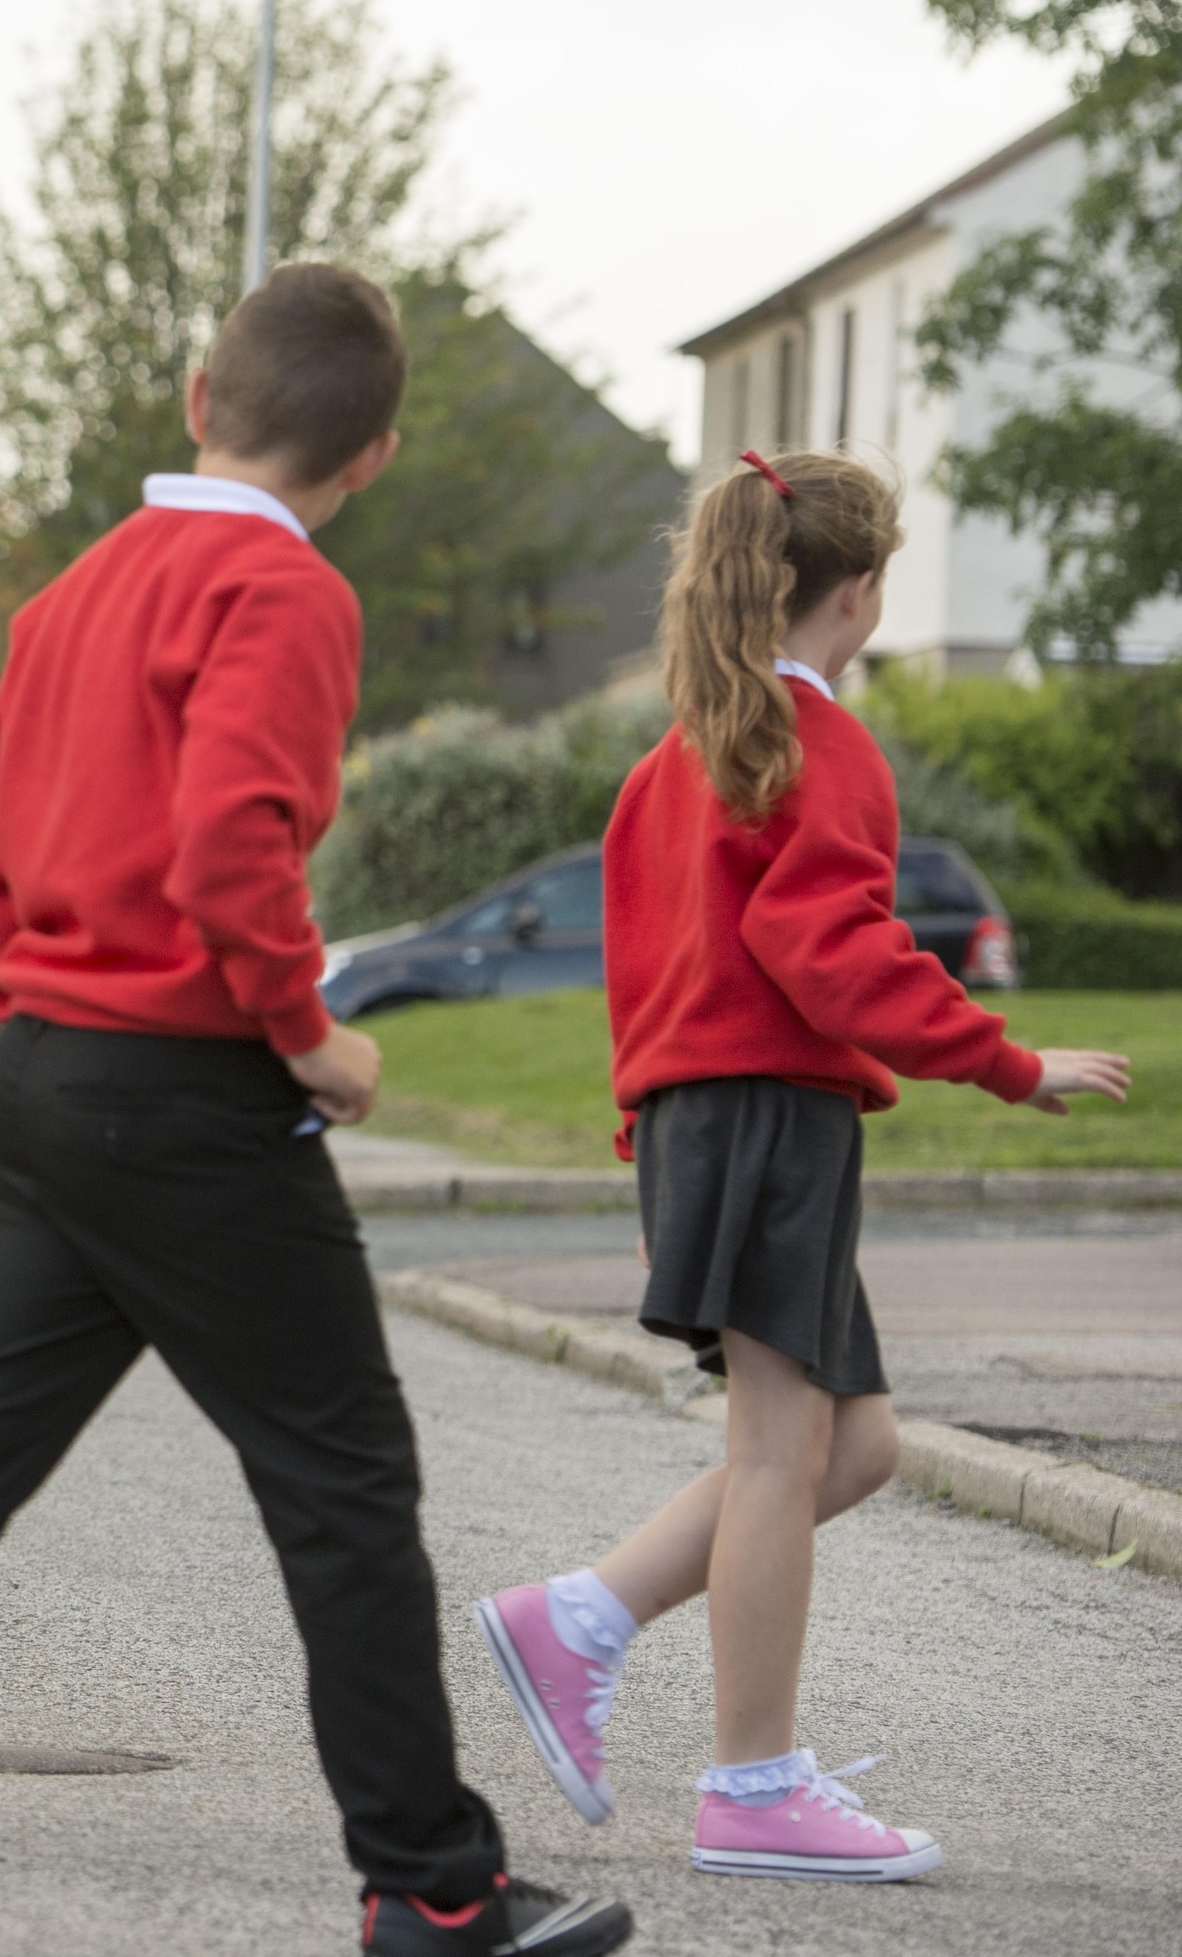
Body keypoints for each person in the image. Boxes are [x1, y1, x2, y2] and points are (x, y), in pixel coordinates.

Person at [0, 266, 634, 1957]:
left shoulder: (76, 589)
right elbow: (234, 842)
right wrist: (312, 1038)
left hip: (45, 1071)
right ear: (369, 454)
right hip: (189, 1096)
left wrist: (41, 1017)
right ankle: (430, 1888)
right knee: (345, 1480)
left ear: (188, 394)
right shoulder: (283, 593)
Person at [471, 448, 1129, 1884]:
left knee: (858, 1443)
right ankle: (751, 1786)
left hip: (728, 1122)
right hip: (765, 1119)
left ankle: (579, 1616)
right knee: (778, 1455)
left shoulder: (688, 750)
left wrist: (656, 1128)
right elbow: (830, 952)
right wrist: (1010, 1061)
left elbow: (652, 974)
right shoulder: (817, 746)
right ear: (866, 591)